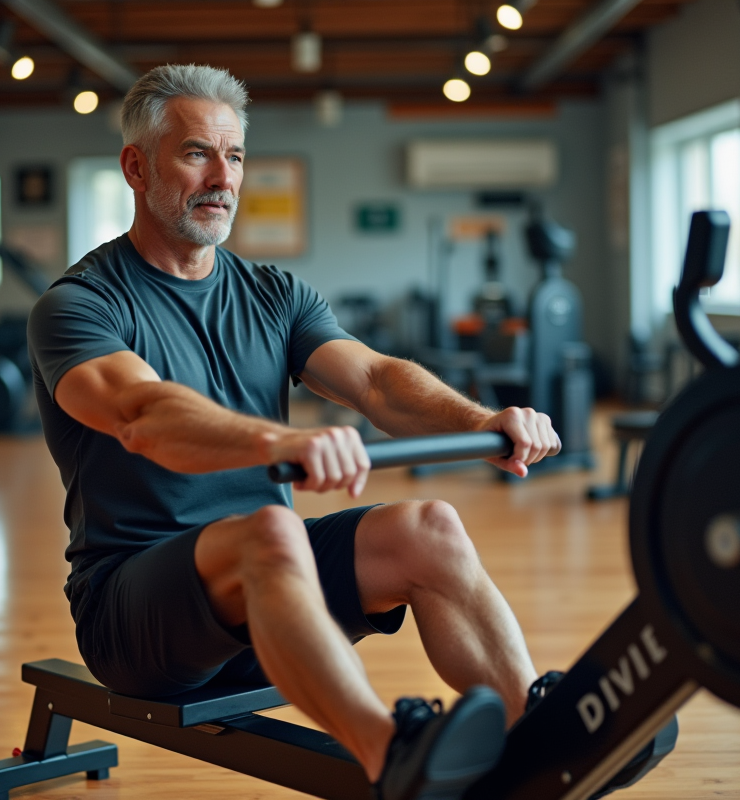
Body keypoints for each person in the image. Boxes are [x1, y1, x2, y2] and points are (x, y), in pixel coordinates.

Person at [28, 64, 559, 800]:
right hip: (137, 614)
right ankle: (392, 761)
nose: (223, 177)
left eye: (236, 156)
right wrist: (279, 444)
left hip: (277, 603)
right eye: (196, 154)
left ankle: (542, 737)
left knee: (430, 526)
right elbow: (139, 413)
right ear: (136, 166)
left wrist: (481, 420)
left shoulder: (274, 294)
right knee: (270, 535)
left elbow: (376, 381)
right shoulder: (79, 305)